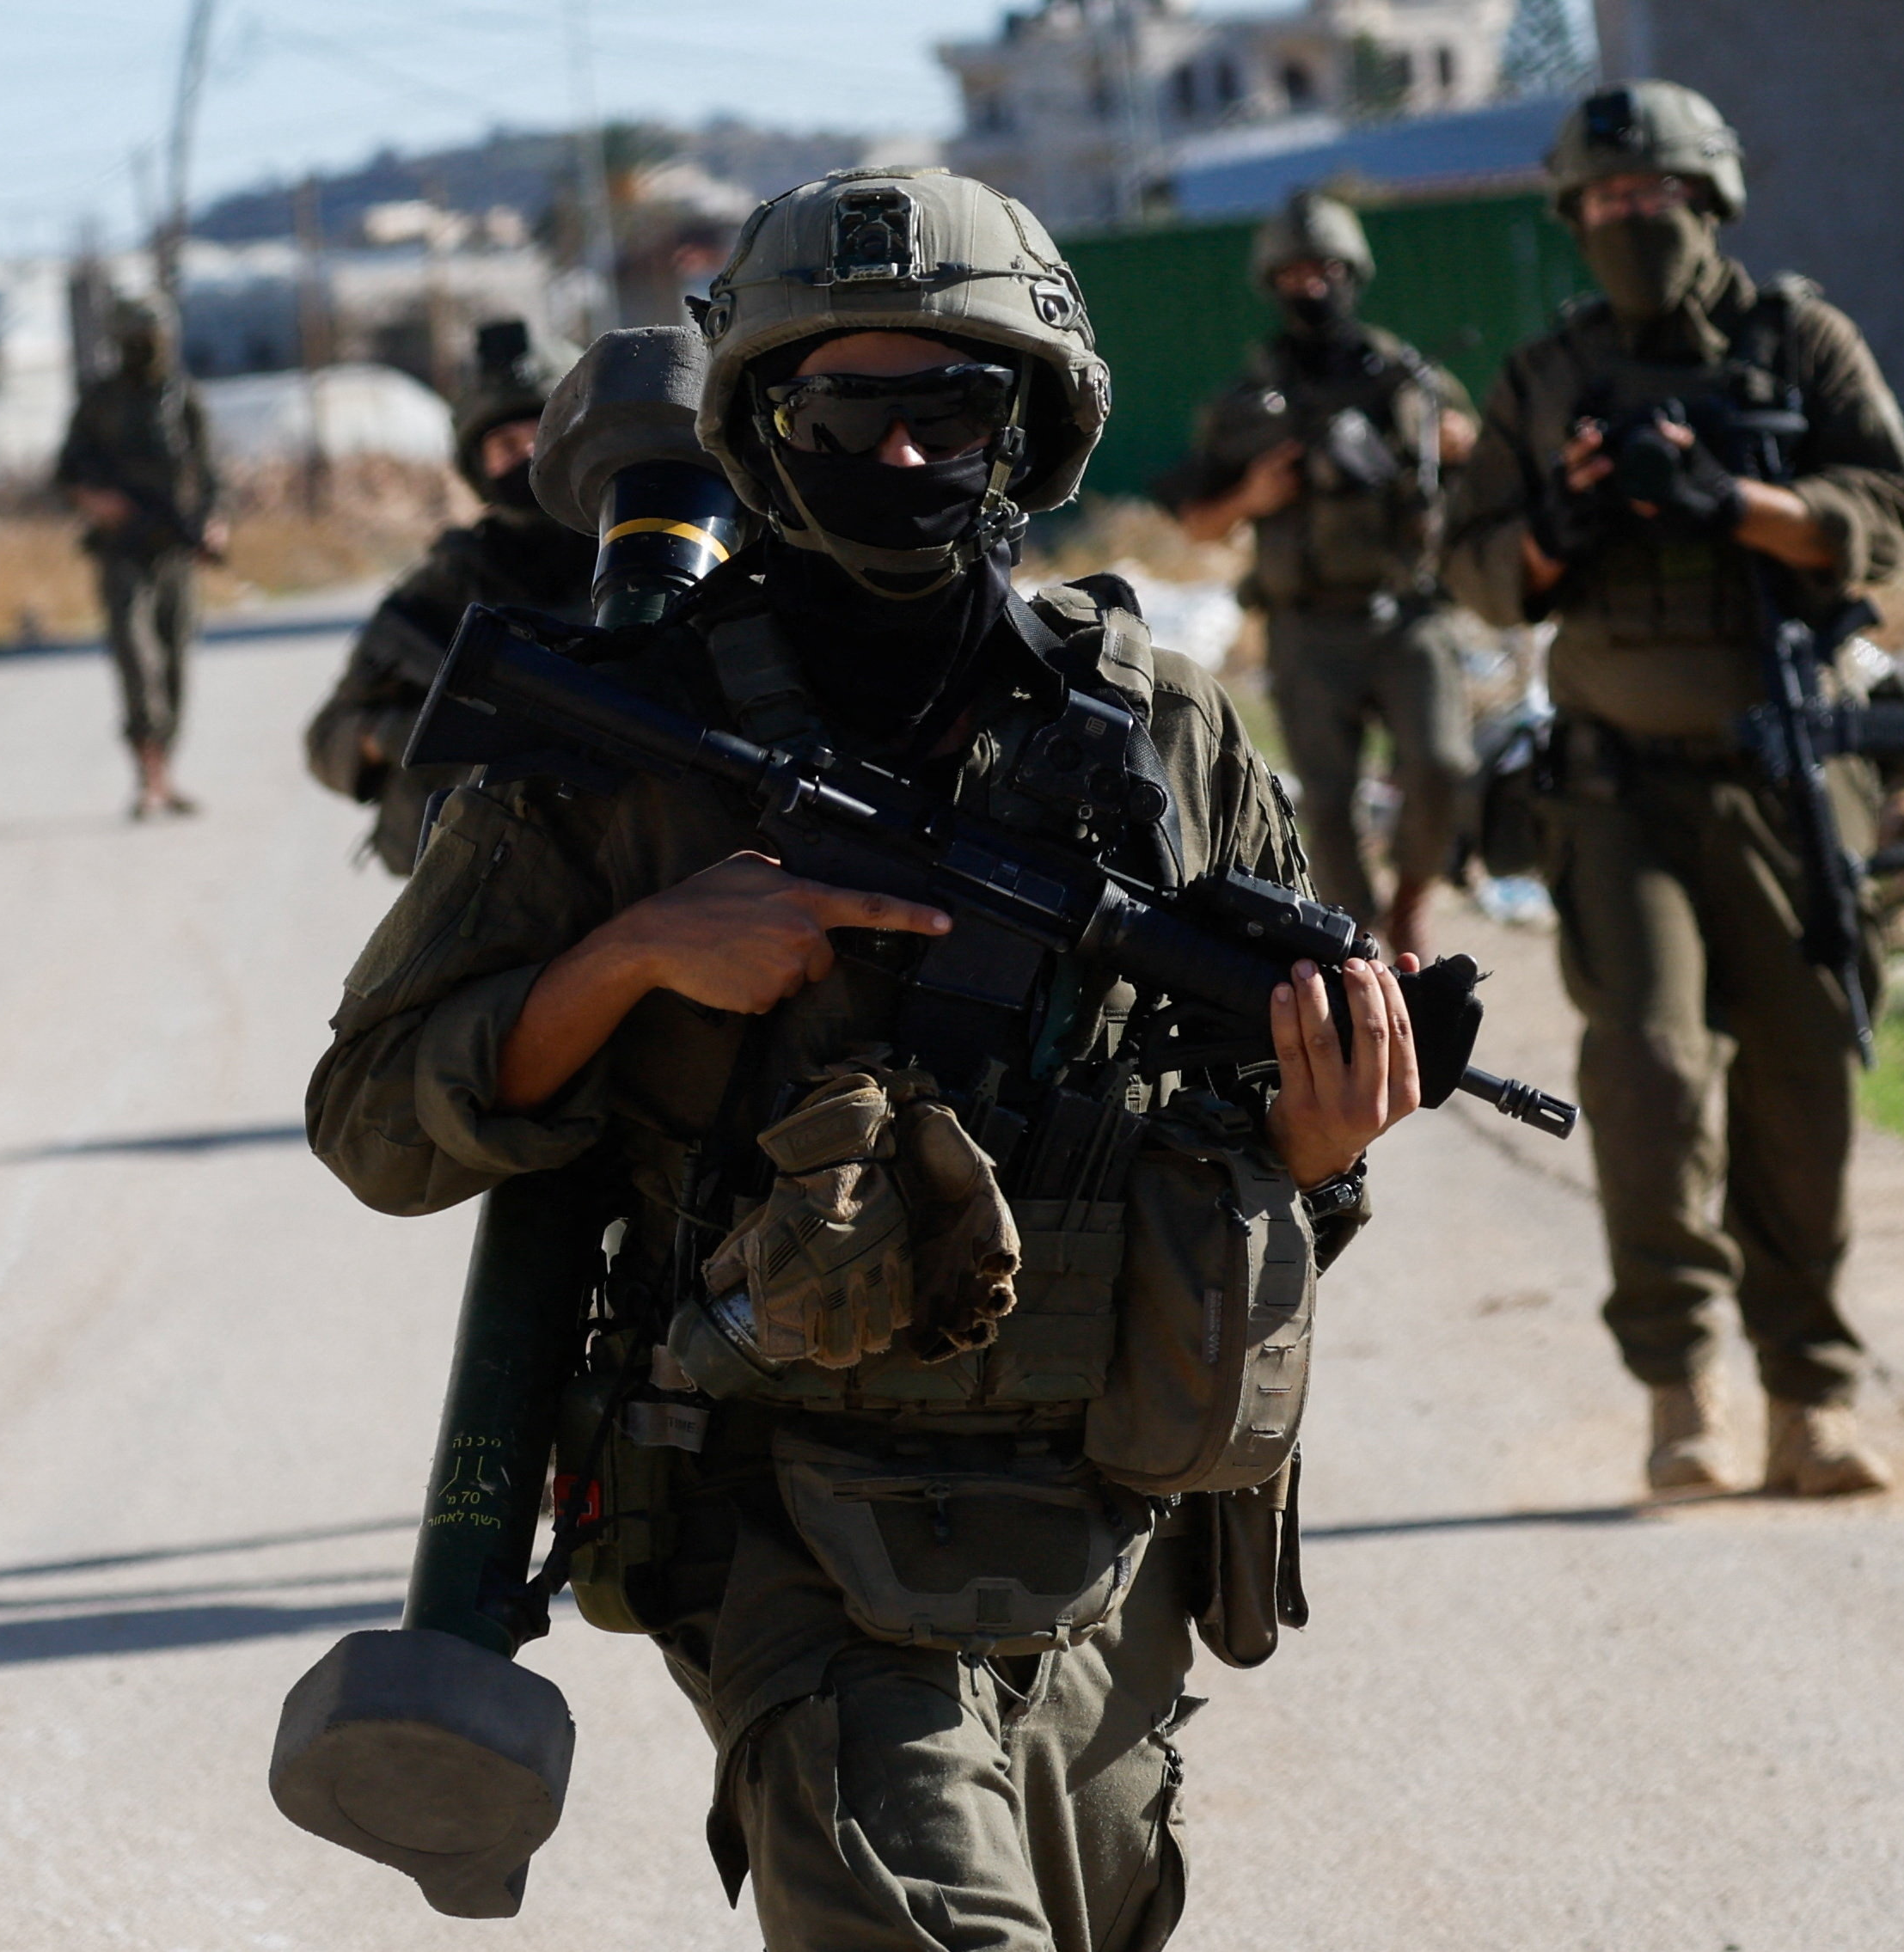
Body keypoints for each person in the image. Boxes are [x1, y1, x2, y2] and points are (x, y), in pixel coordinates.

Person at [308, 168, 1422, 1949]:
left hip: (1103, 1536)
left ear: (1027, 428)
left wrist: (1313, 1141)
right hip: (784, 1534)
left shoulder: (1166, 734)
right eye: (839, 414)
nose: (895, 458)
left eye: (946, 411)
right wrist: (633, 955)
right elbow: (374, 1120)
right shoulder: (626, 741)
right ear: (759, 429)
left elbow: (1279, 1169)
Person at [1442, 83, 1904, 1498]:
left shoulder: (1798, 341)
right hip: (1613, 788)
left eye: (1654, 196)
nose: (1629, 218)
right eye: (1604, 200)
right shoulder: (1544, 376)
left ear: (1708, 201)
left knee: (1801, 1076)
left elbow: (1888, 512)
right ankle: (1679, 1389)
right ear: (1572, 216)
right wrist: (1561, 526)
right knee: (1647, 1073)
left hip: (1788, 777)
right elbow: (1472, 565)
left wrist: (1737, 504)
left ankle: (1808, 1396)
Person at [1158, 189, 1480, 960]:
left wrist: (1464, 446)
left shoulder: (1410, 380)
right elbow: (1196, 519)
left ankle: (1411, 898)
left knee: (1442, 765)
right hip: (1306, 625)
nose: (1310, 286)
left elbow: (1483, 480)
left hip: (1407, 613)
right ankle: (1359, 945)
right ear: (1271, 283)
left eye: (1325, 270)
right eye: (1293, 274)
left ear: (1352, 274)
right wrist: (1252, 495)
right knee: (1327, 804)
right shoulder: (1250, 402)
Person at [303, 319, 593, 873]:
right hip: (489, 867)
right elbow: (327, 737)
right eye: (506, 446)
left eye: (544, 435)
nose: (529, 456)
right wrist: (400, 733)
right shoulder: (441, 591)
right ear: (476, 466)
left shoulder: (641, 555)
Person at [56, 291, 223, 819]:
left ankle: (165, 770)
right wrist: (96, 501)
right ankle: (149, 774)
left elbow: (210, 472)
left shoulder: (183, 398)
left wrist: (213, 525)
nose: (147, 349)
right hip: (121, 549)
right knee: (135, 655)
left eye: (153, 339)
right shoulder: (100, 400)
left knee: (174, 660)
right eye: (138, 340)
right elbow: (66, 470)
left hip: (173, 550)